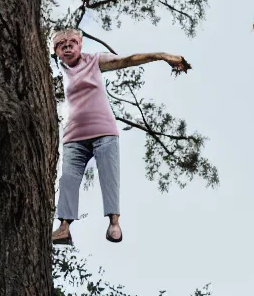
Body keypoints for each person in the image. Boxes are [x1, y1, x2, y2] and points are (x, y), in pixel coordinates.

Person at [51, 28, 191, 245]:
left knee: (109, 176)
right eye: (62, 44)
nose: (68, 47)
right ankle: (64, 228)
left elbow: (128, 60)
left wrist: (162, 56)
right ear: (56, 51)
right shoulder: (57, 70)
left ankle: (114, 223)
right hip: (74, 136)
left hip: (104, 131)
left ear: (80, 45)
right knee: (68, 179)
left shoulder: (94, 61)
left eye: (72, 43)